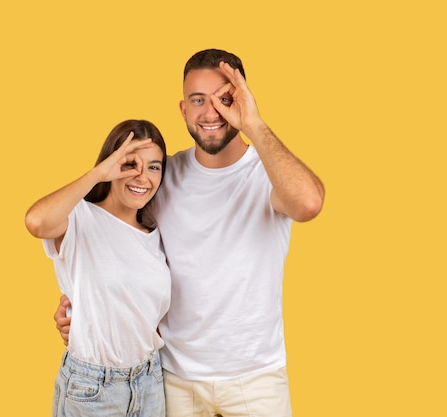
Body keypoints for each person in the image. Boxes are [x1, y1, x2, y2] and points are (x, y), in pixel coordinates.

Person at [54, 49, 326, 417]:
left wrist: (255, 124)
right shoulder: (160, 175)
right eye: (199, 100)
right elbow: (109, 238)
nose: (211, 112)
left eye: (225, 99)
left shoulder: (269, 174)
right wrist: (85, 310)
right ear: (183, 109)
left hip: (255, 378)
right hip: (173, 378)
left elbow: (308, 203)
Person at [25, 119, 171, 417]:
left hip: (150, 381)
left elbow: (145, 313)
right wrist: (98, 174)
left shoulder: (155, 234)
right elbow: (36, 221)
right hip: (93, 388)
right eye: (130, 164)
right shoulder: (80, 218)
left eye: (154, 167)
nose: (142, 177)